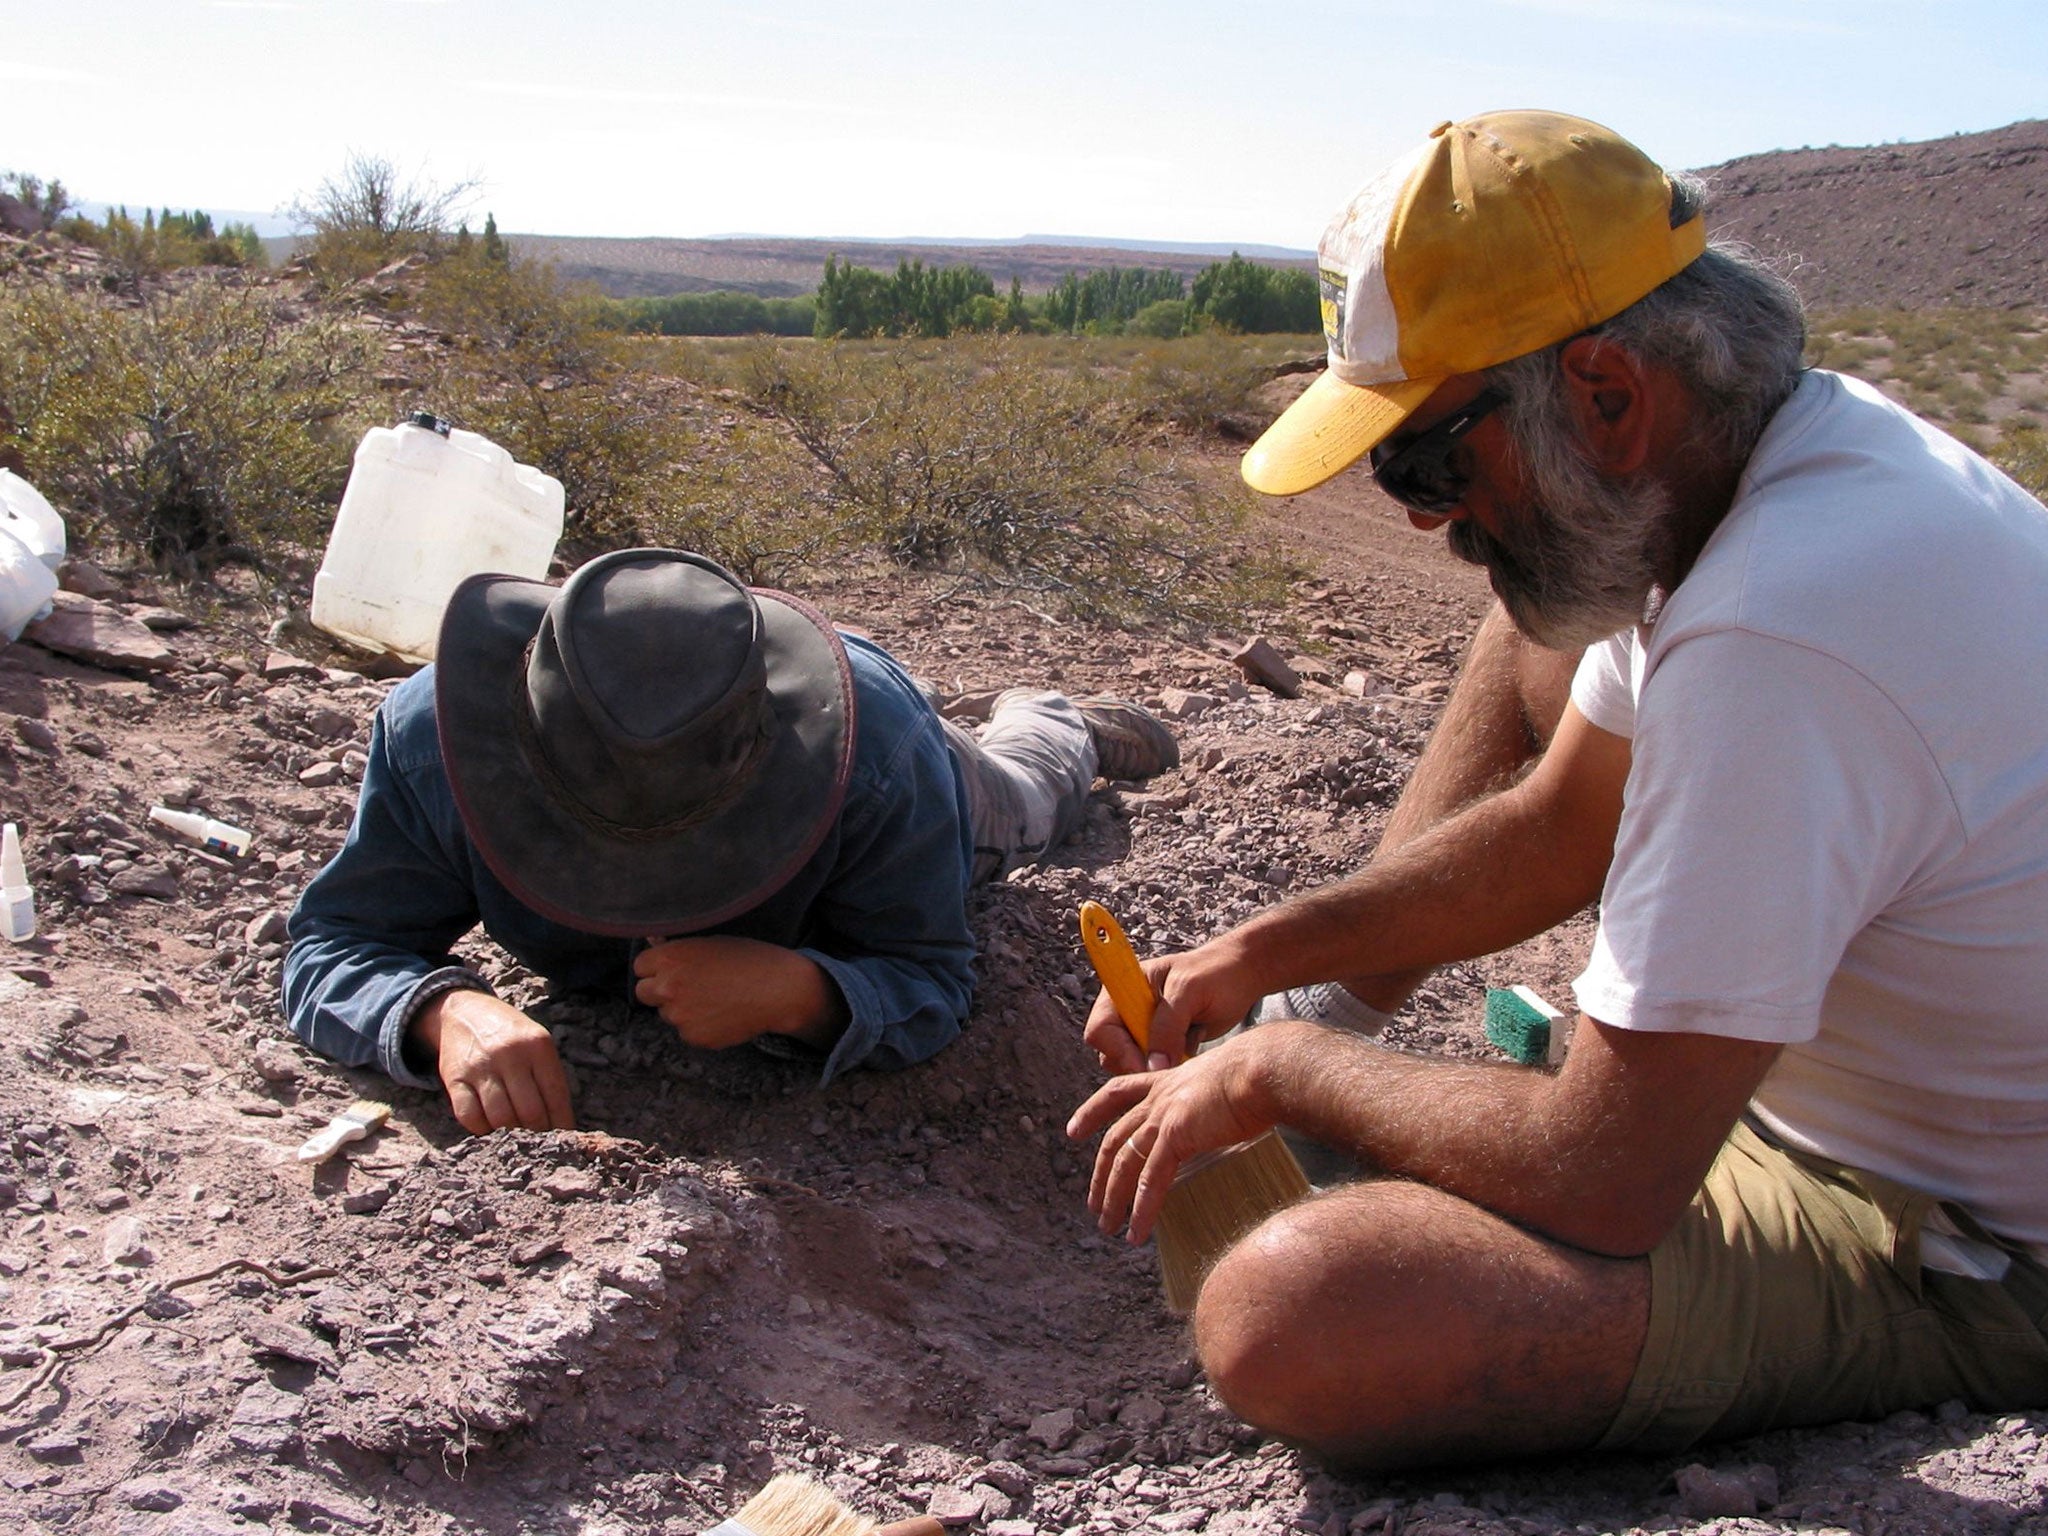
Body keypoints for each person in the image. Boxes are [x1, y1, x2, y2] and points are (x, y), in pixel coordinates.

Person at [1068, 109, 2048, 1469]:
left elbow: (1608, 1175)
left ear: (1605, 392)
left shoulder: (1779, 636)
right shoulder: (1764, 464)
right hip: (1792, 1112)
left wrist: (1289, 1074)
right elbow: (1554, 827)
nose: (1418, 513)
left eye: (1429, 460)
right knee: (1527, 610)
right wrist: (1261, 960)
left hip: (1962, 1235)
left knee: (1298, 1312)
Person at [284, 547, 1177, 1136]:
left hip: (880, 731)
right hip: (786, 698)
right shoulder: (434, 740)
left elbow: (930, 975)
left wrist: (804, 992)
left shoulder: (877, 758)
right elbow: (333, 942)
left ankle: (1060, 720)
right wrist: (445, 1012)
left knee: (1027, 798)